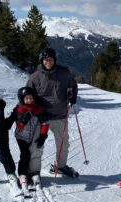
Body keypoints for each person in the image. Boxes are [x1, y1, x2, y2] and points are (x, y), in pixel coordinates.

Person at [26, 47, 79, 178]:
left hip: (59, 115)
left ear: (54, 60)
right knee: (37, 143)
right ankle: (34, 171)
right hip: (41, 116)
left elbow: (73, 85)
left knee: (63, 144)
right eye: (45, 59)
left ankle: (60, 166)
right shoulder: (35, 77)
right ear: (41, 60)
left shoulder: (64, 73)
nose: (47, 62)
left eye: (50, 59)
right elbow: (27, 96)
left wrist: (73, 97)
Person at [8, 86, 49, 196]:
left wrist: (43, 135)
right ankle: (22, 174)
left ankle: (33, 172)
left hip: (32, 136)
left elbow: (45, 123)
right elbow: (19, 125)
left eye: (31, 98)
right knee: (25, 154)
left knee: (34, 152)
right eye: (26, 99)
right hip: (21, 137)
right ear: (22, 99)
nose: (29, 100)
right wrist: (24, 117)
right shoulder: (20, 109)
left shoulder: (38, 108)